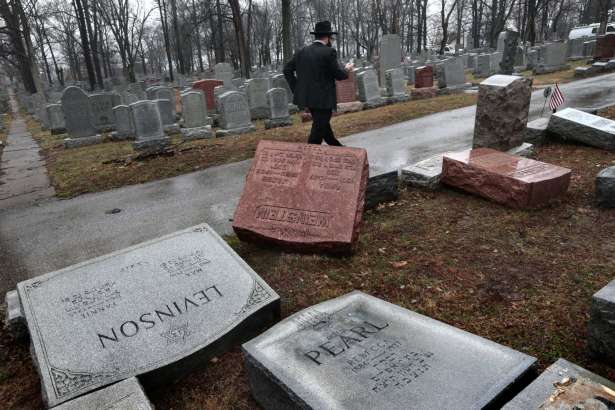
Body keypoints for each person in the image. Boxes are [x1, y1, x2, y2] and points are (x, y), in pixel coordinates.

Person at [283, 21, 353, 146]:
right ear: (327, 37)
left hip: (308, 99)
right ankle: (308, 158)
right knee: (316, 135)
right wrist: (347, 69)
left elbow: (287, 70)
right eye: (331, 37)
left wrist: (297, 89)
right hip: (324, 100)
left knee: (325, 130)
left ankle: (339, 150)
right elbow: (339, 75)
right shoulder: (329, 52)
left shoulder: (301, 51)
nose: (331, 40)